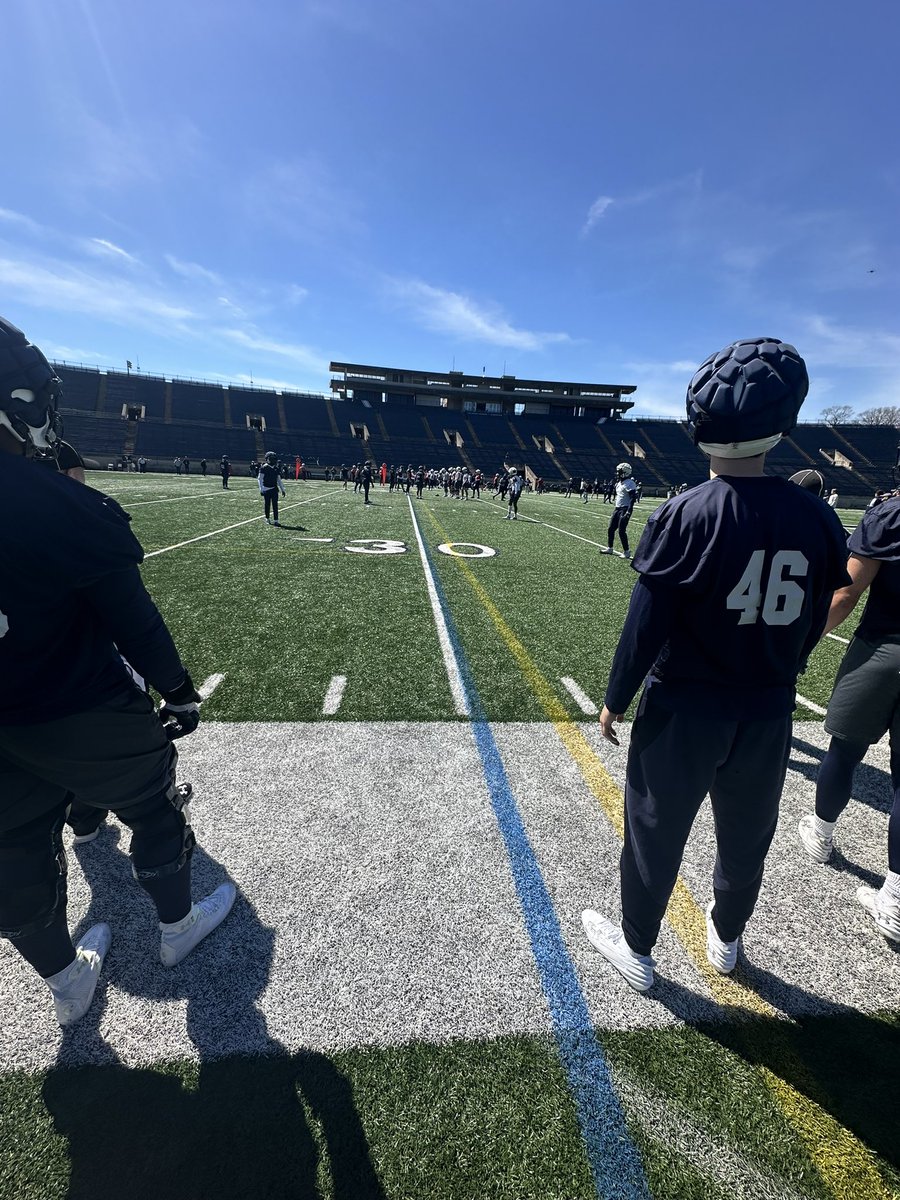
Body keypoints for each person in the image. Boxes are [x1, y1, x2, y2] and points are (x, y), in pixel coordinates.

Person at [582, 338, 850, 991]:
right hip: (766, 708)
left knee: (655, 827)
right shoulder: (816, 515)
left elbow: (646, 622)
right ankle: (727, 938)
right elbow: (822, 604)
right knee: (746, 836)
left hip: (686, 707)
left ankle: (640, 950)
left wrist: (616, 696)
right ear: (780, 426)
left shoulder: (687, 511)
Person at [0, 315, 235, 1027]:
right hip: (75, 702)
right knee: (153, 803)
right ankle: (176, 926)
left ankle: (65, 981)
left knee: (9, 845)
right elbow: (134, 620)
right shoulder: (59, 506)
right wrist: (182, 693)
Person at [798, 493, 900, 940]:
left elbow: (847, 592)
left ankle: (821, 834)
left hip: (882, 648)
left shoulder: (891, 512)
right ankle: (895, 899)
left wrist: (801, 644)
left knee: (844, 748)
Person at [601, 463, 638, 559]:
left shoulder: (630, 483)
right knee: (611, 529)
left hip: (625, 509)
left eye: (619, 471)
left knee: (621, 531)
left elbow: (633, 498)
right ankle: (610, 548)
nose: (617, 473)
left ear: (625, 472)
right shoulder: (619, 483)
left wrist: (629, 511)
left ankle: (627, 551)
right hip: (617, 509)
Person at [258, 450, 286, 525]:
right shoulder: (264, 468)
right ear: (267, 459)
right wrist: (261, 489)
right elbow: (260, 479)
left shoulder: (276, 469)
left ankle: (276, 520)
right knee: (267, 504)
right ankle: (267, 518)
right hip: (266, 488)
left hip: (274, 489)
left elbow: (279, 480)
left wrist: (282, 489)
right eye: (271, 458)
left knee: (275, 505)